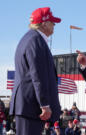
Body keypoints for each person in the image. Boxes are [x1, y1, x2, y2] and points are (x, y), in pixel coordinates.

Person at [9, 7, 62, 135]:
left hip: (29, 106)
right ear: (44, 23)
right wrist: (44, 104)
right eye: (52, 22)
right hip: (31, 107)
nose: (54, 25)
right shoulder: (35, 40)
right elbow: (38, 75)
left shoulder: (30, 38)